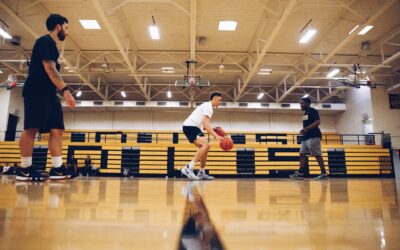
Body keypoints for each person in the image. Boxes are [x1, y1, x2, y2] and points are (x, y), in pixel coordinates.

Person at [16, 14, 75, 181]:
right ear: (58, 26)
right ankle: (25, 169)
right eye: (66, 27)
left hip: (50, 93)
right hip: (37, 90)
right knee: (31, 128)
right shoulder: (45, 41)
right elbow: (50, 69)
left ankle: (57, 169)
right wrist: (65, 90)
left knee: (57, 129)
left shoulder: (53, 46)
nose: (67, 32)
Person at [181, 92, 223, 180]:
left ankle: (201, 172)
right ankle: (188, 168)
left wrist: (213, 129)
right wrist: (216, 136)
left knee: (206, 148)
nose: (220, 102)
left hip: (194, 127)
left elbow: (204, 126)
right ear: (214, 99)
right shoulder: (209, 107)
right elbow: (205, 123)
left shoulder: (207, 106)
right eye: (219, 100)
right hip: (191, 126)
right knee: (206, 145)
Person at [290, 97, 328, 180]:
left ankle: (323, 173)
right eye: (300, 103)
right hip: (306, 137)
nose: (301, 105)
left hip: (313, 135)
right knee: (302, 154)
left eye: (302, 103)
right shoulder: (305, 113)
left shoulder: (312, 111)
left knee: (317, 154)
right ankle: (300, 173)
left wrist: (306, 129)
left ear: (308, 103)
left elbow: (318, 122)